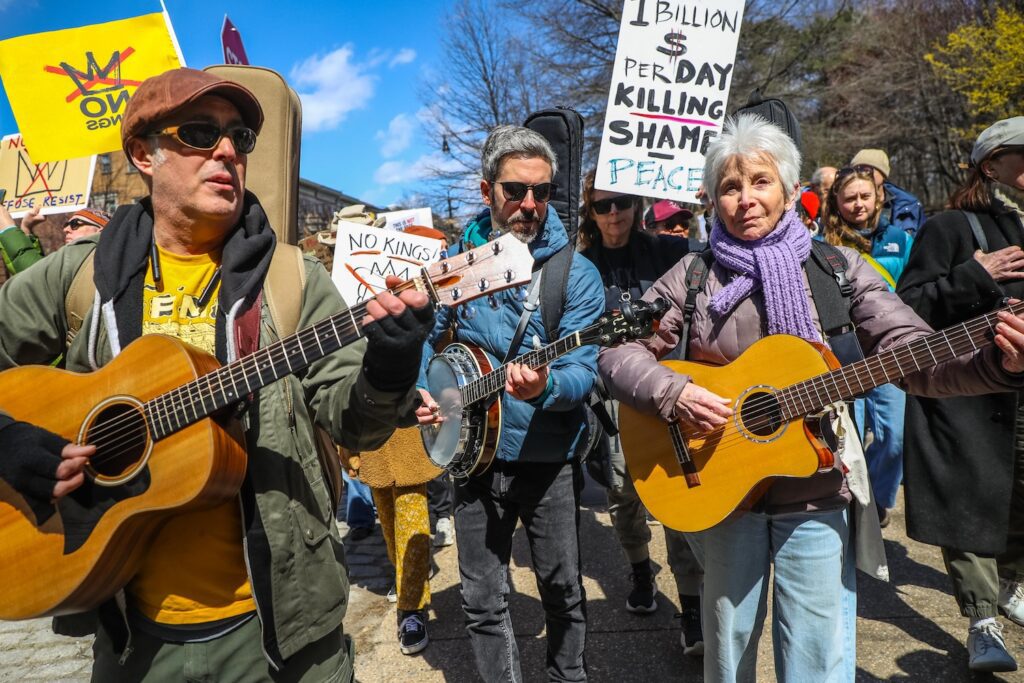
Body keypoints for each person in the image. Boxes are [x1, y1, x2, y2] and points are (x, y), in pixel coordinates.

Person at [0, 67, 433, 681]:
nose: (227, 151)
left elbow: (354, 424)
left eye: (240, 138)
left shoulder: (294, 281)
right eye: (200, 133)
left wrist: (390, 364)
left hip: (281, 635)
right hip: (131, 639)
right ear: (141, 154)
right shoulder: (78, 277)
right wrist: (8, 438)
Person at [598, 113, 1024, 682]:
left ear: (791, 190)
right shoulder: (693, 275)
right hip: (721, 488)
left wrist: (998, 360)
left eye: (760, 181)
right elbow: (619, 353)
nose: (745, 198)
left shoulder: (840, 269)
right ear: (713, 199)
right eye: (730, 186)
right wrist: (672, 391)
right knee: (729, 652)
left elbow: (914, 355)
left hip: (817, 490)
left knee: (818, 657)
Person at [416, 125, 604, 682]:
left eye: (541, 193)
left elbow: (581, 370)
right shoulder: (455, 264)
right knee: (481, 600)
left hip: (548, 458)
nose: (529, 204)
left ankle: (568, 675)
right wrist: (424, 395)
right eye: (515, 190)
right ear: (485, 190)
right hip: (472, 459)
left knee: (563, 589)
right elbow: (429, 342)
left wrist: (544, 387)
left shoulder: (575, 272)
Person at [897, 115, 1024, 674]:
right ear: (991, 164)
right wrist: (976, 275)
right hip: (962, 401)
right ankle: (981, 619)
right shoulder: (951, 226)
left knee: (1016, 502)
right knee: (971, 504)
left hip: (1018, 397)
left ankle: (1011, 590)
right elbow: (907, 310)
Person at [577, 171, 704, 654]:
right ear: (590, 212)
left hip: (667, 391)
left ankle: (690, 607)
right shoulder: (581, 266)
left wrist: (707, 205)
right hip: (611, 399)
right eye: (603, 207)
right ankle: (638, 572)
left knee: (677, 496)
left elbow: (713, 261)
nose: (615, 214)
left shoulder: (670, 252)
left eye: (622, 202)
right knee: (621, 492)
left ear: (637, 202)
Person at [821, 165, 914, 527]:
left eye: (865, 195)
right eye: (849, 198)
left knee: (894, 438)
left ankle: (876, 499)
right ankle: (850, 511)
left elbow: (914, 288)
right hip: (843, 355)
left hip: (888, 351)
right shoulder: (823, 243)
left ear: (878, 197)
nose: (858, 204)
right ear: (837, 202)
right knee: (848, 441)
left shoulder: (901, 239)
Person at [851, 148, 926, 236]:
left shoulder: (909, 206)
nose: (862, 175)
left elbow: (923, 241)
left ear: (883, 174)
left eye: (867, 171)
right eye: (856, 171)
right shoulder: (846, 205)